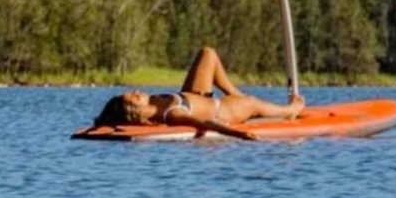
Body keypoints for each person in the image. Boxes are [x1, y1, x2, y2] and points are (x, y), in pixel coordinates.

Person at [93, 47, 304, 138]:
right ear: (136, 112)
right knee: (251, 102)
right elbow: (204, 123)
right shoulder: (173, 114)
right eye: (135, 96)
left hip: (194, 96)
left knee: (207, 53)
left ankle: (236, 94)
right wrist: (237, 133)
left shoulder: (156, 101)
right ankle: (289, 111)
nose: (137, 91)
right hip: (222, 110)